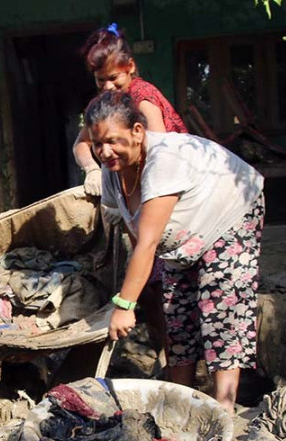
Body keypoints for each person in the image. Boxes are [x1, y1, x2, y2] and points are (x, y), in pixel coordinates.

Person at [85, 91, 264, 413]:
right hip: (183, 234)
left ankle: (223, 409)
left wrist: (125, 305)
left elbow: (148, 242)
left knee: (220, 308)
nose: (105, 151)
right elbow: (134, 231)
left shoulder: (164, 160)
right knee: (177, 310)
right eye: (98, 144)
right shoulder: (112, 171)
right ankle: (179, 403)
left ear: (137, 131)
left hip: (230, 211)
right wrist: (138, 283)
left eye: (112, 141)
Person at [73, 24, 188, 379]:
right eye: (100, 81)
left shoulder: (143, 97)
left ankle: (181, 362)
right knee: (149, 286)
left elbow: (160, 153)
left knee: (167, 282)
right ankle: (165, 355)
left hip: (168, 197)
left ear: (131, 68)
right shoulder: (101, 107)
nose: (108, 87)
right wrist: (93, 170)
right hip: (133, 198)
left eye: (114, 78)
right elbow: (82, 144)